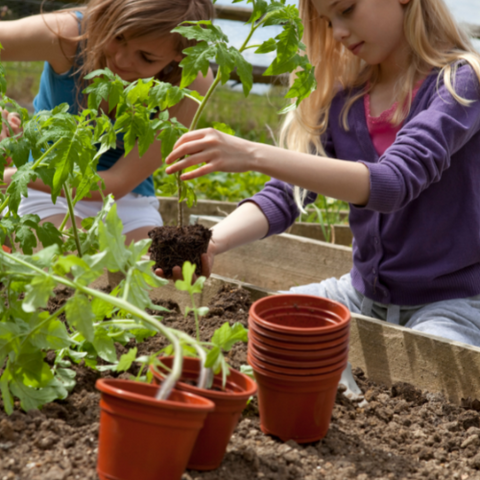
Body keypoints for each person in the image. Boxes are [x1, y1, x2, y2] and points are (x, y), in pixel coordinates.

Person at [162, 0, 480, 347]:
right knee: (263, 332)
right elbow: (286, 195)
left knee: (436, 382)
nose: (339, 32)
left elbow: (394, 183)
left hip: (451, 306)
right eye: (328, 23)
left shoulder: (459, 83)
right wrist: (211, 242)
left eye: (346, 10)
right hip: (360, 297)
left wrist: (252, 153)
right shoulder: (346, 99)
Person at [0, 0, 214, 244]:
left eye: (146, 57)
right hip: (40, 186)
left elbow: (119, 181)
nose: (122, 60)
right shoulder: (70, 34)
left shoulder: (191, 81)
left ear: (178, 56)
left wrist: (6, 177)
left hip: (126, 198)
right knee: (71, 258)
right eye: (118, 36)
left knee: (153, 271)